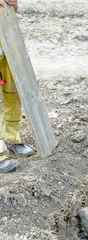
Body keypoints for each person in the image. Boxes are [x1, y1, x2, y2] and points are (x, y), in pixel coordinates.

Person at [0, 0, 35, 174]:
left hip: (5, 45)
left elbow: (11, 8)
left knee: (12, 96)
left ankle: (11, 139)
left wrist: (13, 4)